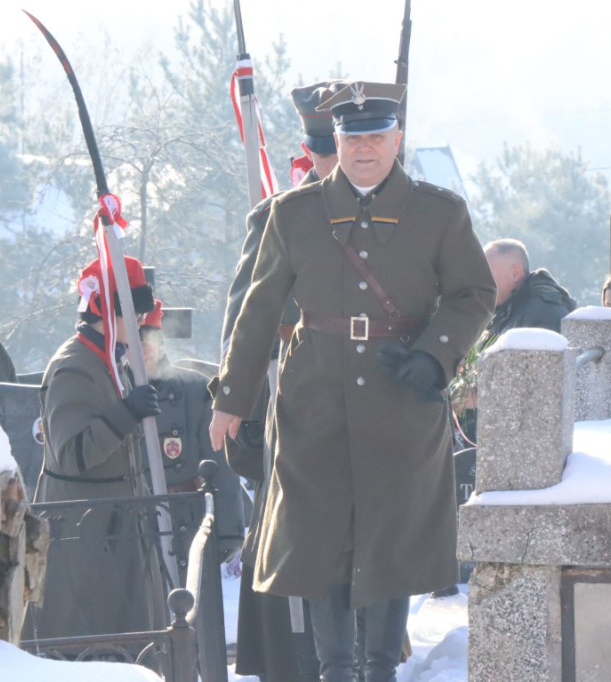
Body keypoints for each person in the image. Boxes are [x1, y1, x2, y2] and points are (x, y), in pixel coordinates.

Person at [210, 81, 497, 682]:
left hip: (403, 400)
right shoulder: (293, 213)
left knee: (390, 536)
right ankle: (334, 668)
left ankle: (379, 670)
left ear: (397, 140)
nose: (365, 149)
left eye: (376, 137)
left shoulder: (439, 212)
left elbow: (474, 293)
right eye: (353, 138)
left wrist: (434, 356)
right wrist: (231, 400)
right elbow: (258, 309)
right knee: (320, 539)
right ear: (335, 141)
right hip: (312, 398)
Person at [219, 79, 347, 682]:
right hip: (295, 410)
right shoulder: (277, 218)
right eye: (325, 152)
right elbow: (243, 321)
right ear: (311, 153)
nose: (334, 163)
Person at [31, 255, 166, 639]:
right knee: (85, 640)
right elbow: (73, 455)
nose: (143, 319)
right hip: (84, 535)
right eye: (133, 310)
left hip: (115, 527)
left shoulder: (111, 360)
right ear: (105, 311)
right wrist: (126, 413)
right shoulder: (74, 367)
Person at [139, 299, 246, 566]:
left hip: (188, 521)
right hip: (138, 526)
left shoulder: (195, 389)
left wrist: (229, 534)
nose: (142, 350)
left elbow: (219, 462)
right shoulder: (115, 392)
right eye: (133, 343)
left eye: (147, 341)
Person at [452, 239, 576, 448]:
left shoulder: (544, 313)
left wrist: (477, 396)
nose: (480, 282)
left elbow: (541, 385)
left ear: (516, 273)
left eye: (487, 273)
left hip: (529, 445)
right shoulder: (504, 310)